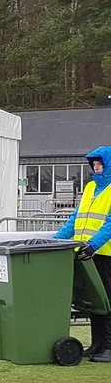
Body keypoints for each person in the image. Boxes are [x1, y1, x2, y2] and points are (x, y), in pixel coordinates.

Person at [55, 147, 111, 362]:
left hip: (104, 253)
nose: (96, 167)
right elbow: (75, 218)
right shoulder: (90, 188)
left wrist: (93, 245)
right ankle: (98, 344)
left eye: (100, 164)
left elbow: (109, 223)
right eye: (94, 164)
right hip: (88, 253)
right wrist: (56, 240)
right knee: (95, 302)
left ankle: (109, 346)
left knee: (107, 300)